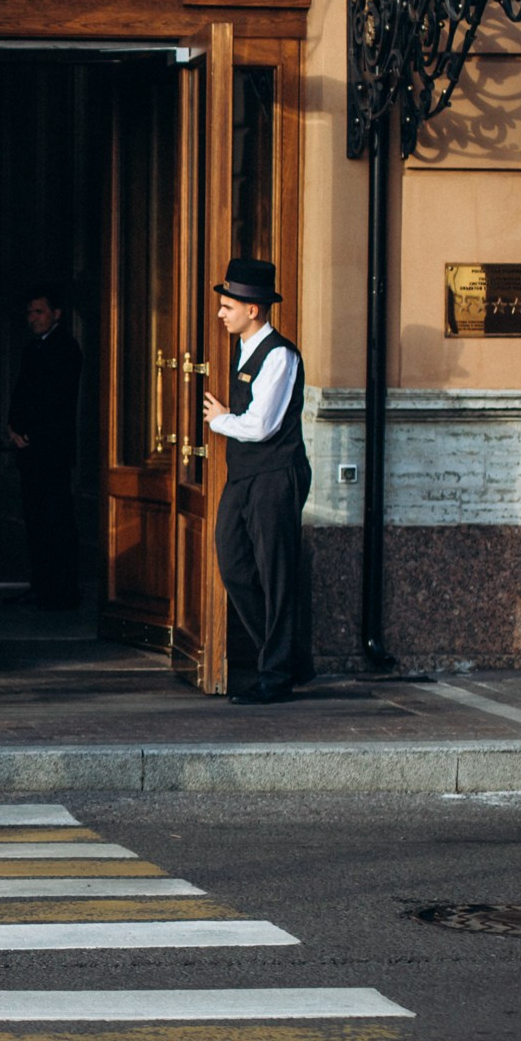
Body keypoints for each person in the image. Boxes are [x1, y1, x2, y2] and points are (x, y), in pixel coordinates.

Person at [200, 258, 310, 706]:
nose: (221, 313)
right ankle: (286, 658)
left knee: (276, 574)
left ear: (253, 309)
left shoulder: (280, 355)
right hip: (245, 475)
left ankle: (277, 675)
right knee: (233, 562)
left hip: (275, 476)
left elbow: (262, 425)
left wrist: (221, 420)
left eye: (228, 306)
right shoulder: (243, 348)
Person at [4, 285, 84, 610]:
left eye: (39, 312)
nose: (32, 318)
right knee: (35, 520)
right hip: (29, 450)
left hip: (52, 450)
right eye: (30, 312)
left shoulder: (66, 348)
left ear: (56, 314)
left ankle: (62, 591)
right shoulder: (31, 348)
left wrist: (29, 431)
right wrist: (13, 427)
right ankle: (41, 586)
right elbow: (21, 391)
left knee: (56, 520)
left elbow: (56, 400)